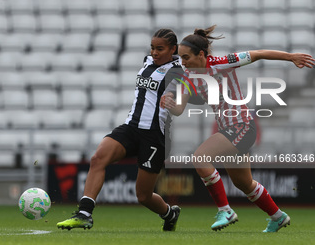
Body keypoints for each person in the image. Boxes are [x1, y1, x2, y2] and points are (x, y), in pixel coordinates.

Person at [160, 25, 315, 233]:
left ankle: (225, 210)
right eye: (181, 58)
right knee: (244, 183)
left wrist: (291, 57)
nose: (183, 62)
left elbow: (258, 54)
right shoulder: (188, 75)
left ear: (201, 54)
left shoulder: (223, 63)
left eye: (186, 57)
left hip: (241, 125)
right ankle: (278, 217)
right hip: (230, 129)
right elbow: (179, 109)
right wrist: (170, 102)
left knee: (200, 157)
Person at [57, 28, 185, 231]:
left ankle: (170, 213)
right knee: (98, 159)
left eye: (160, 49)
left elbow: (179, 108)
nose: (154, 52)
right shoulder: (148, 61)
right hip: (131, 127)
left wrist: (173, 103)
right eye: (152, 47)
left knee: (143, 196)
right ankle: (84, 213)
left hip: (153, 136)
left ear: (173, 49)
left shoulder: (177, 71)